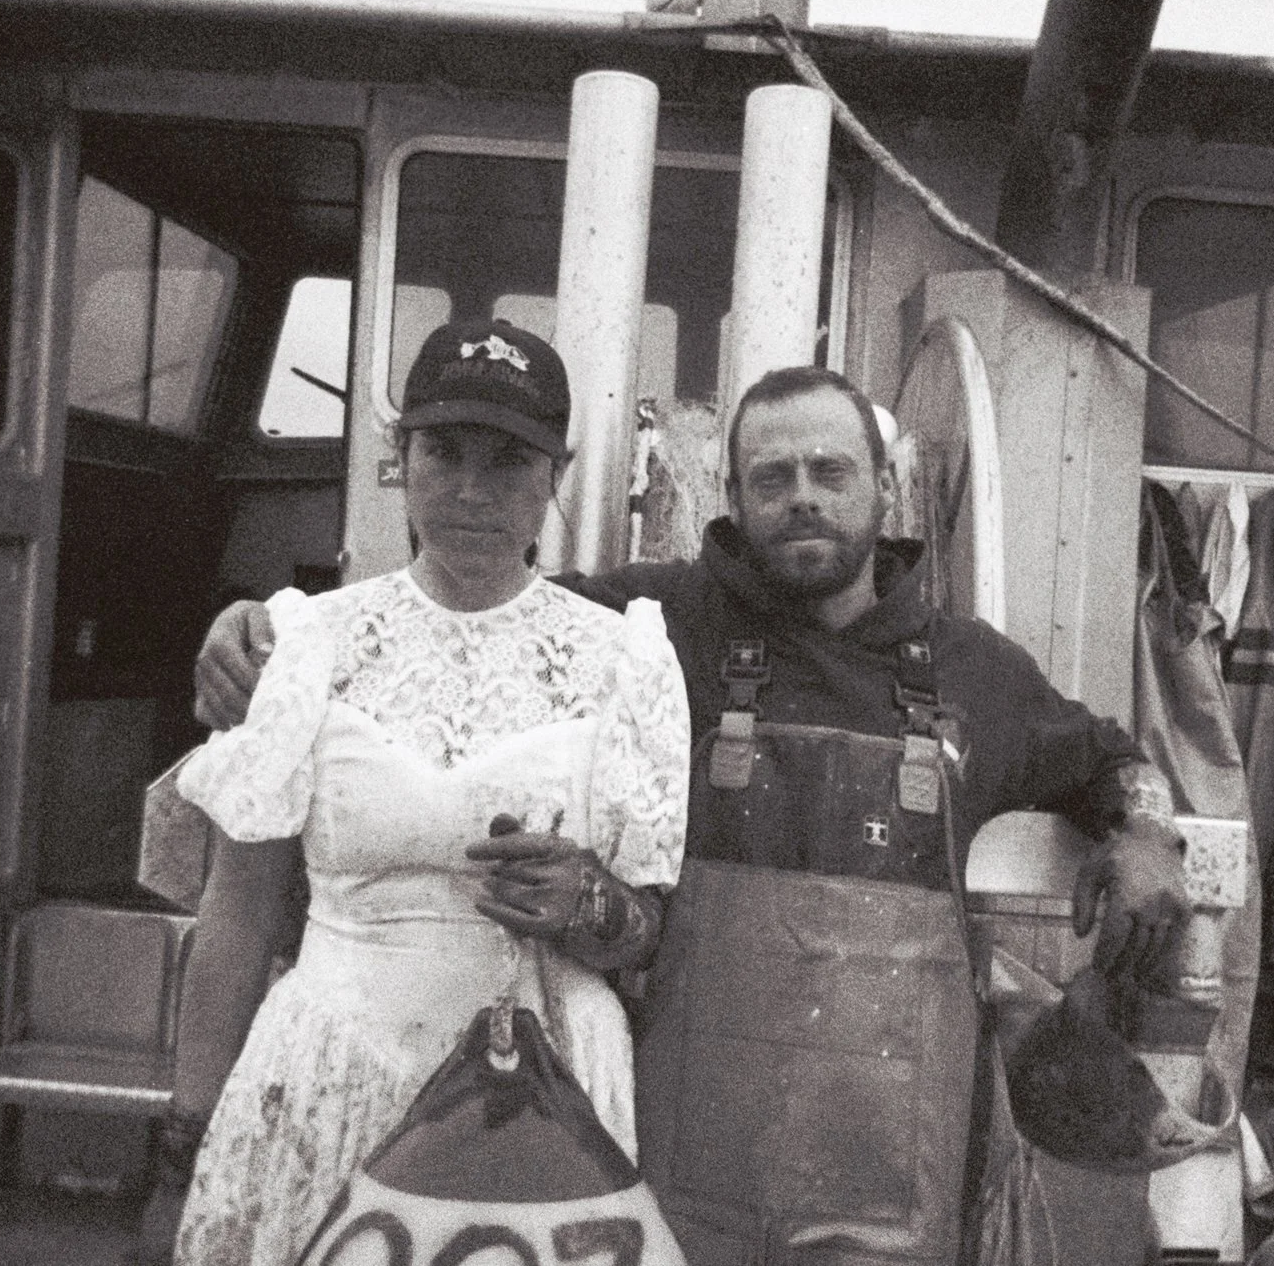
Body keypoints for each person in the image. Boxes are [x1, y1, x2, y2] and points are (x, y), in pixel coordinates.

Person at [194, 366, 1189, 1266]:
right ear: (733, 498)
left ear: (882, 490)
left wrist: (1142, 830)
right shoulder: (643, 628)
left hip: (890, 1178)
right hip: (678, 1170)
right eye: (771, 475)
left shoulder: (976, 669)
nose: (801, 492)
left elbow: (1110, 761)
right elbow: (466, 613)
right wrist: (260, 629)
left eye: (828, 470)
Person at [147, 319, 690, 1266]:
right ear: (401, 458)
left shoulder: (626, 658)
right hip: (326, 1075)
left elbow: (648, 931)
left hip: (541, 1091)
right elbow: (238, 911)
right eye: (443, 450)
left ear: (553, 474)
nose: (473, 489)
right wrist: (180, 1147)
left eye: (510, 458)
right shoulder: (303, 642)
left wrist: (588, 901)